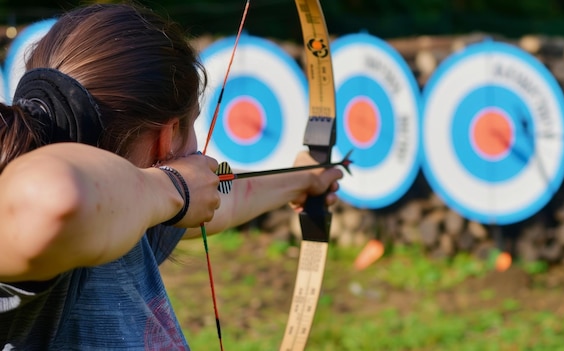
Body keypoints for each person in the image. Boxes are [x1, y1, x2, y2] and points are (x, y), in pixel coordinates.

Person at [0, 3, 343, 350]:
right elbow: (57, 200)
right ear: (167, 135)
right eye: (193, 123)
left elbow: (220, 200)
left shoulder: (134, 207)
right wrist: (175, 185)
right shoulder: (31, 224)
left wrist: (306, 178)